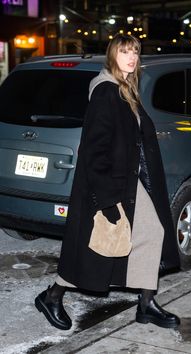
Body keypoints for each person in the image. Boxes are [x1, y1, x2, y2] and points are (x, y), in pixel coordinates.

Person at [35, 34, 180, 331]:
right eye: (125, 52)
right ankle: (52, 296)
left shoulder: (125, 89)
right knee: (92, 251)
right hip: (105, 185)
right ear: (112, 55)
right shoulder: (106, 92)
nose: (132, 58)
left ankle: (146, 304)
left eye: (136, 52)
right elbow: (93, 150)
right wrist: (107, 200)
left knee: (151, 233)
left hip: (127, 180)